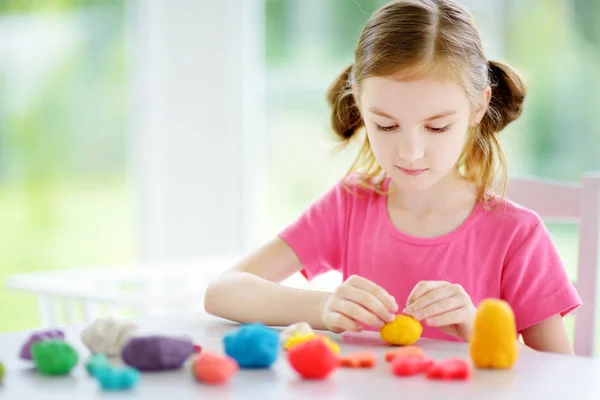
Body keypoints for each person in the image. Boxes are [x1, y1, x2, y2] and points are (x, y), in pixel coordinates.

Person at [204, 0, 581, 354]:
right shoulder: (350, 205)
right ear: (360, 108)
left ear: (478, 107)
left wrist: (480, 333)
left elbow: (561, 376)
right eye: (386, 125)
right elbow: (223, 291)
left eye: (436, 127)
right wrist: (326, 307)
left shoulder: (517, 235)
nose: (410, 151)